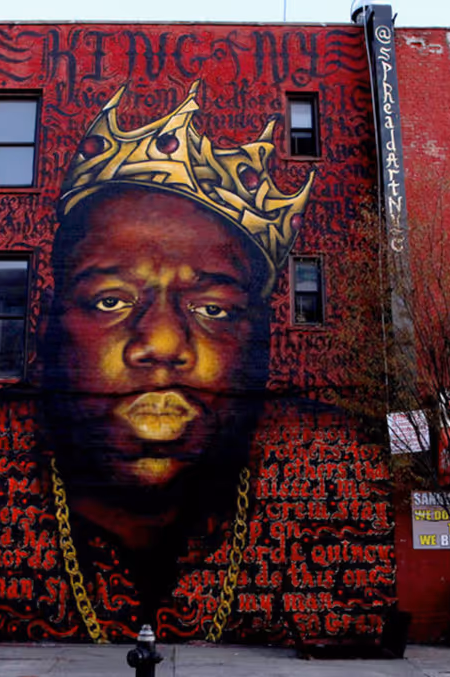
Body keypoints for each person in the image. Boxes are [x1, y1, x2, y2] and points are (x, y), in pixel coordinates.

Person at [35, 81, 314, 641]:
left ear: (262, 339)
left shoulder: (334, 471)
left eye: (212, 308)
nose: (162, 344)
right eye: (110, 300)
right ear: (50, 324)